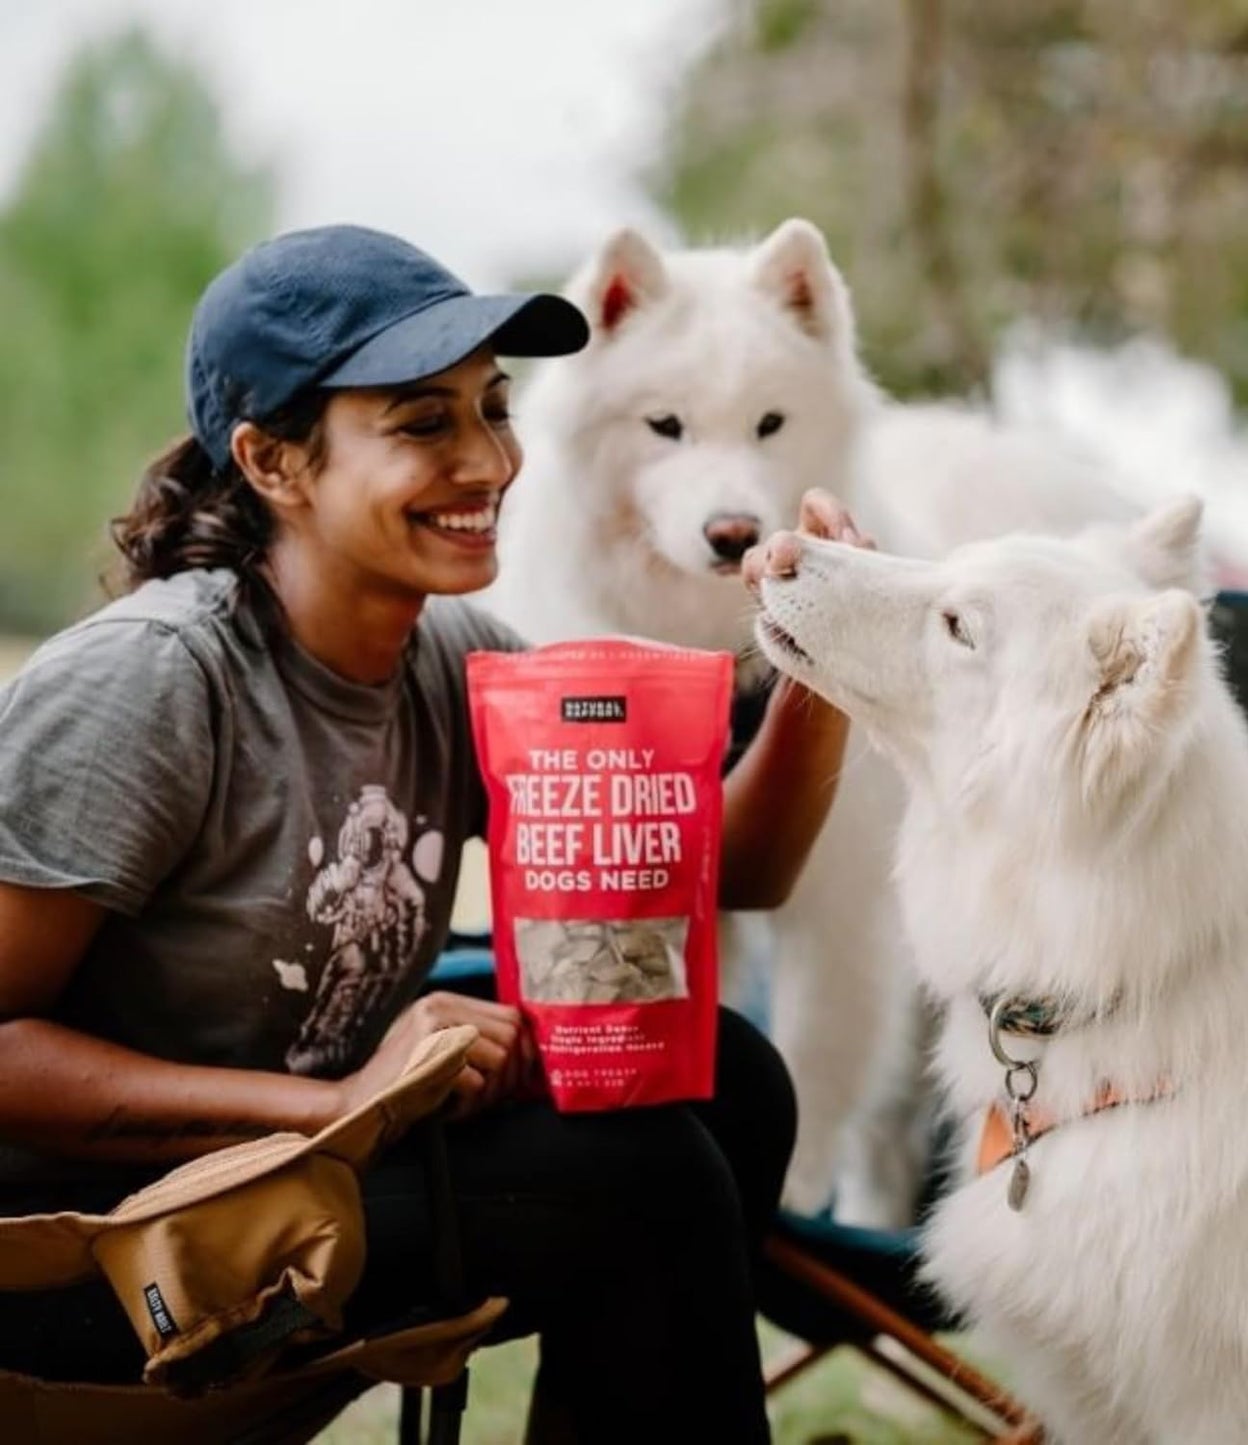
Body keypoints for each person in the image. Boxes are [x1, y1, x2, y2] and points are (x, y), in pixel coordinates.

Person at [0, 225, 867, 1442]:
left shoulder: (446, 655)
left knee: (725, 1078)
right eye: (421, 424)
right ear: (273, 462)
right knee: (638, 1176)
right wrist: (349, 1101)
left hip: (294, 1184)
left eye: (492, 409)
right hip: (89, 1247)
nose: (487, 460)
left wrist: (819, 658)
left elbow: (725, 869)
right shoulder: (153, 684)